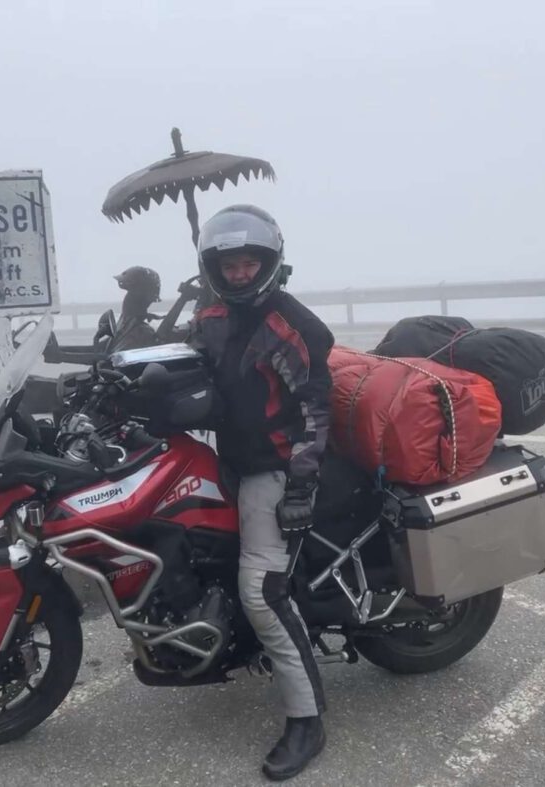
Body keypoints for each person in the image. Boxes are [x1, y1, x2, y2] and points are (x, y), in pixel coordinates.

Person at [189, 205, 334, 781]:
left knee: (261, 590)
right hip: (227, 458)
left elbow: (316, 411)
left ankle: (307, 718)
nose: (242, 273)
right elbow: (187, 363)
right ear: (214, 267)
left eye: (251, 262)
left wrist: (299, 484)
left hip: (272, 467)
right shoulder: (211, 313)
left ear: (270, 263)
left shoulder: (293, 326)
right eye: (230, 263)